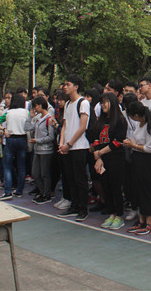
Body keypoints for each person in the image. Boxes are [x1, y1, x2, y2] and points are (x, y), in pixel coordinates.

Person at [57, 75, 91, 221]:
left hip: (79, 147)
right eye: (64, 84)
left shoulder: (83, 103)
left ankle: (83, 209)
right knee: (70, 178)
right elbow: (64, 125)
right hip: (67, 147)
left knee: (80, 179)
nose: (65, 87)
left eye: (68, 84)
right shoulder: (67, 104)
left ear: (76, 87)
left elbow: (83, 127)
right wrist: (61, 143)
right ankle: (74, 205)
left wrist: (69, 144)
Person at [124, 101, 151, 235]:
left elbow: (150, 148)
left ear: (136, 115)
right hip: (137, 159)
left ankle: (149, 221)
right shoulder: (140, 125)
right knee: (138, 189)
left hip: (146, 160)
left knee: (146, 190)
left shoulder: (150, 127)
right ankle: (141, 219)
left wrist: (133, 145)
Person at [93, 92, 128, 230]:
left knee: (115, 187)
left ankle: (119, 215)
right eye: (101, 103)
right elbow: (96, 139)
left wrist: (100, 152)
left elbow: (118, 141)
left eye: (105, 102)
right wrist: (98, 156)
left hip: (116, 158)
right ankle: (111, 213)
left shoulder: (120, 120)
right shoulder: (100, 121)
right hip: (102, 159)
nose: (103, 105)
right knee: (105, 186)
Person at [0, 94, 29, 200]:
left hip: (10, 139)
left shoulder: (9, 112)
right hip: (22, 139)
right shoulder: (26, 112)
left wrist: (4, 130)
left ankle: (8, 191)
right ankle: (19, 191)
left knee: (7, 166)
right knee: (21, 167)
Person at [29, 96, 56, 204]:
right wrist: (30, 117)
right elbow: (28, 127)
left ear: (40, 105)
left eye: (35, 106)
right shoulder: (38, 118)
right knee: (35, 173)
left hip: (46, 150)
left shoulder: (49, 119)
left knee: (44, 173)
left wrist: (38, 140)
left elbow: (51, 137)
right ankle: (42, 192)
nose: (35, 109)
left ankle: (46, 194)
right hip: (37, 149)